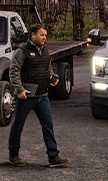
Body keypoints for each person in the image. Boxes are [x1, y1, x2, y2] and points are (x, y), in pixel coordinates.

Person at [7, 24, 71, 168]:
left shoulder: (44, 50)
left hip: (43, 95)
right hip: (27, 96)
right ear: (33, 35)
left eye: (45, 35)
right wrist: (19, 89)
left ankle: (53, 156)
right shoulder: (22, 51)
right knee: (18, 126)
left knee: (48, 126)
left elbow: (47, 67)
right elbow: (14, 71)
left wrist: (52, 77)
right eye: (42, 35)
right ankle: (13, 156)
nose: (44, 38)